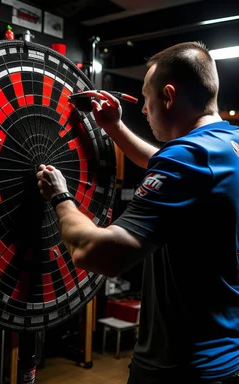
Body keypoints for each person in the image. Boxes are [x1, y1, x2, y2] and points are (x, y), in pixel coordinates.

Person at [36, 41, 239, 383]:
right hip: (227, 360)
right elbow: (168, 167)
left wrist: (60, 196)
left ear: (169, 96)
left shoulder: (186, 159)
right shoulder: (227, 145)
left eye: (146, 98)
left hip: (178, 370)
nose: (144, 110)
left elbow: (95, 253)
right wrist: (114, 126)